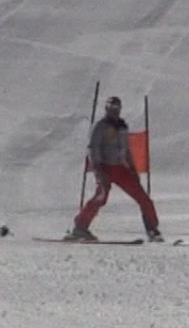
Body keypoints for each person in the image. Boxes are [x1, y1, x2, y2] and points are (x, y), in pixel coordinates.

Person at [67, 95, 164, 242]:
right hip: (105, 168)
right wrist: (98, 170)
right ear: (106, 109)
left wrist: (132, 168)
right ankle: (80, 227)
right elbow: (93, 148)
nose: (115, 111)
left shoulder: (123, 127)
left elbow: (126, 150)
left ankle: (152, 230)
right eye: (112, 108)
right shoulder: (101, 126)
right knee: (101, 198)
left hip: (120, 168)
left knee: (143, 198)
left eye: (117, 108)